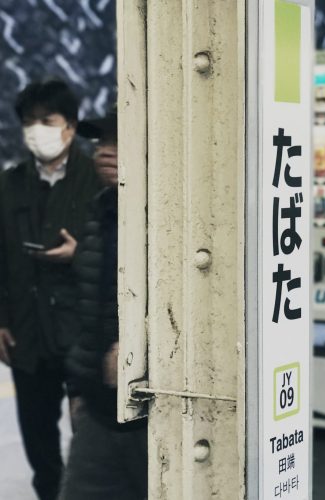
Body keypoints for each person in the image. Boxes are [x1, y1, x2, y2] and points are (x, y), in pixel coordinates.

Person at [0, 79, 100, 500]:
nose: (35, 130)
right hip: (27, 332)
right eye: (28, 122)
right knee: (39, 444)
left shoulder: (97, 178)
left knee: (92, 441)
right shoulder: (10, 182)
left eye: (47, 121)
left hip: (83, 332)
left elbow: (123, 255)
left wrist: (80, 253)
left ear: (71, 127)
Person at [60, 108, 148, 500]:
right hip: (97, 408)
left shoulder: (172, 219)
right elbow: (87, 308)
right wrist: (77, 388)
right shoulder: (100, 211)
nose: (104, 152)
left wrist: (140, 350)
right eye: (100, 142)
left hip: (150, 416)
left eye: (118, 141)